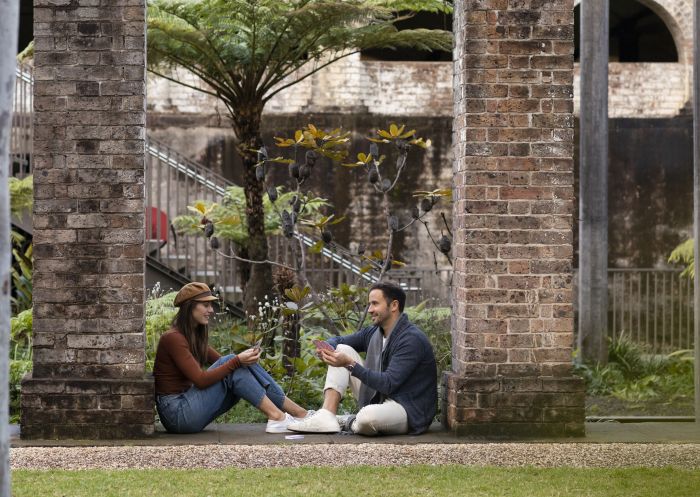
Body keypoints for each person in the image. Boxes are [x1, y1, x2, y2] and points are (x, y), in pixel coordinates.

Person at [153, 282, 308, 434]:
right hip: (176, 414)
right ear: (189, 307)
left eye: (211, 305)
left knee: (236, 364)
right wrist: (237, 361)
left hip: (186, 408)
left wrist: (245, 361)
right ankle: (279, 416)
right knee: (234, 362)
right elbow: (201, 380)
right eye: (205, 305)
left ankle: (300, 414)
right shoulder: (173, 338)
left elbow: (227, 365)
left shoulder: (191, 336)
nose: (211, 310)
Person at [288, 281, 437, 436]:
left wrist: (349, 364)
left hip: (407, 409)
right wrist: (328, 349)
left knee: (368, 418)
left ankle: (348, 421)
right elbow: (339, 341)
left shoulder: (411, 339)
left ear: (393, 306)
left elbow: (389, 384)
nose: (370, 310)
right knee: (341, 349)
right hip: (379, 398)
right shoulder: (374, 332)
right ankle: (327, 415)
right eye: (369, 304)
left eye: (374, 304)